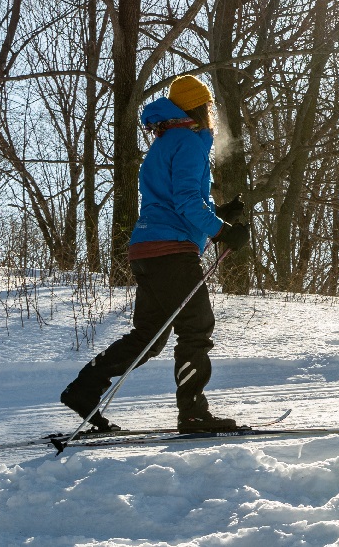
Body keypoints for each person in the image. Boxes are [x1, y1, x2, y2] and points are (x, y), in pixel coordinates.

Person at [60, 75, 249, 433]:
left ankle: (84, 390)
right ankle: (193, 413)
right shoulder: (191, 143)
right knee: (195, 329)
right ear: (200, 108)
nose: (211, 113)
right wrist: (225, 233)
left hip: (146, 248)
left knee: (149, 336)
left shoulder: (164, 142)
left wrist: (219, 213)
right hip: (172, 252)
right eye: (208, 106)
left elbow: (170, 202)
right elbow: (187, 202)